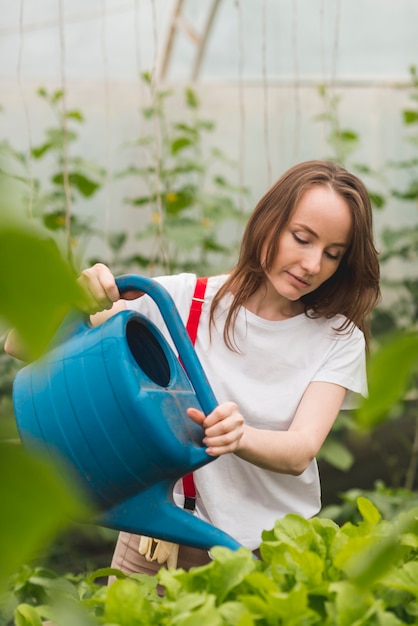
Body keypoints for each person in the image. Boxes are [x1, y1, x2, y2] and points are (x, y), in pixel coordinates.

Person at [5, 160, 380, 576]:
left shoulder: (338, 337)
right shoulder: (187, 299)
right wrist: (74, 297)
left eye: (332, 254)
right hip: (158, 540)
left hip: (269, 553)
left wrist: (240, 436)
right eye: (302, 238)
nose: (313, 264)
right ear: (268, 223)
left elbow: (300, 450)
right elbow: (20, 344)